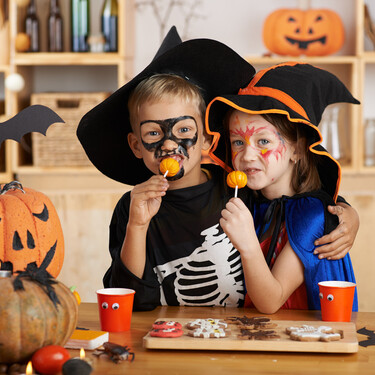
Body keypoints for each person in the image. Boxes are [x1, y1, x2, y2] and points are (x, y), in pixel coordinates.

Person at [77, 28, 359, 311]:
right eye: (153, 134)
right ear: (136, 145)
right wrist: (137, 226)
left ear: (207, 140)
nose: (169, 145)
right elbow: (129, 303)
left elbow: (296, 203)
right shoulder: (133, 208)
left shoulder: (238, 189)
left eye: (183, 130)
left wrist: (344, 213)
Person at [205, 62, 359, 314]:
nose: (247, 155)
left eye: (263, 141)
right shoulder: (249, 202)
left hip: (304, 344)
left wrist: (248, 245)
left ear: (297, 149)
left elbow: (270, 301)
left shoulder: (312, 215)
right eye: (237, 142)